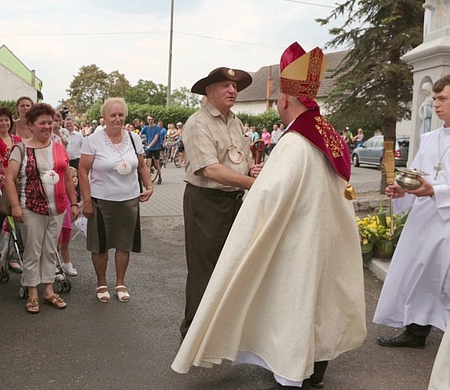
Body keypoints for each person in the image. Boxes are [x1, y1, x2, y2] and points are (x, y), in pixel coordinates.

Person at [172, 42, 367, 389]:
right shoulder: (325, 133)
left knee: (291, 296)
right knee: (315, 299)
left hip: (297, 237)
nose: (233, 90)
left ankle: (294, 369)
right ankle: (311, 364)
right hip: (313, 231)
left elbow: (270, 197)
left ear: (284, 100)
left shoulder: (294, 142)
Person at [178, 67, 260, 338]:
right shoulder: (198, 122)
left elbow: (240, 162)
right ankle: (194, 334)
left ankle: (219, 331)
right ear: (209, 91)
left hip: (233, 200)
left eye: (234, 86)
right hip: (207, 201)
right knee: (204, 268)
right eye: (225, 85)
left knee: (230, 265)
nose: (232, 90)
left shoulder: (235, 122)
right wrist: (251, 183)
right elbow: (209, 169)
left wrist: (252, 172)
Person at [373, 74, 450, 349]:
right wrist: (402, 189)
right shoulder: (430, 139)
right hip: (424, 221)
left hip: (446, 222)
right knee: (420, 276)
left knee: (443, 281)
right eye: (435, 99)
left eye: (443, 99)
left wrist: (435, 192)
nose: (437, 105)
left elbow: (432, 185)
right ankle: (416, 332)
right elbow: (415, 174)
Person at [78, 98, 154, 303]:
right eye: (113, 115)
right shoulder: (93, 140)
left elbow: (141, 166)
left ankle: (120, 282)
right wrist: (86, 200)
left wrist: (149, 186)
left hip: (129, 199)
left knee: (124, 244)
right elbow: (83, 171)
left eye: (121, 115)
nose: (117, 119)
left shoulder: (133, 138)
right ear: (104, 117)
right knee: (100, 245)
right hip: (101, 200)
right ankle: (101, 283)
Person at [5, 103, 78, 314]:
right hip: (31, 208)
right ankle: (32, 293)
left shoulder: (58, 147)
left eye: (50, 122)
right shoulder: (21, 148)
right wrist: (16, 206)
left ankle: (47, 290)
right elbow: (9, 179)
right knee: (33, 251)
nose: (47, 127)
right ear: (30, 125)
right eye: (42, 123)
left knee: (49, 250)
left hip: (57, 208)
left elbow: (66, 179)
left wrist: (73, 203)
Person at [0, 106, 23, 274]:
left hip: (16, 186)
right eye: (0, 120)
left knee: (15, 223)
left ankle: (12, 257)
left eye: (6, 119)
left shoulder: (18, 139)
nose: (4, 123)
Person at [58, 166, 79, 276]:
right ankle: (55, 266)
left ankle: (67, 264)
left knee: (65, 246)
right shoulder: (63, 192)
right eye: (72, 177)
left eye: (76, 177)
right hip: (60, 223)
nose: (75, 179)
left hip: (68, 224)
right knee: (58, 246)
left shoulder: (74, 194)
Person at [141, 116, 163, 184]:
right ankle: (148, 178)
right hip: (149, 148)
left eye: (151, 119)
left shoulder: (157, 128)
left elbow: (156, 138)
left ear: (154, 120)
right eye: (149, 119)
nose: (150, 121)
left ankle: (159, 176)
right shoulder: (146, 128)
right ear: (147, 120)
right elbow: (140, 135)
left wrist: (149, 146)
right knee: (148, 164)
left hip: (155, 147)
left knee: (156, 163)